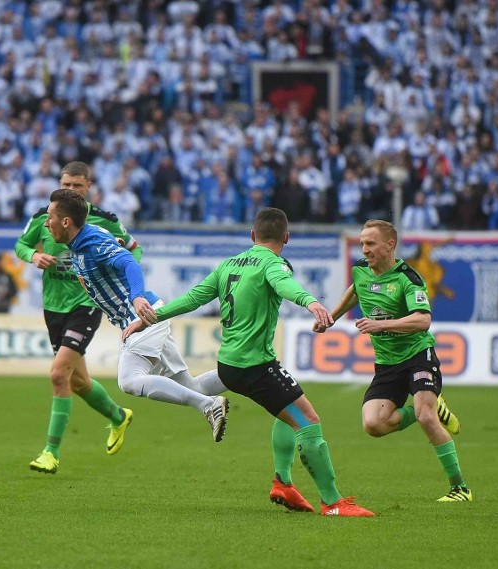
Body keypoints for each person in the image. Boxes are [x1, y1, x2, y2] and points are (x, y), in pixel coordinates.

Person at [123, 208, 374, 517]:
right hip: (255, 366)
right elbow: (285, 285)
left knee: (286, 412)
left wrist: (149, 320)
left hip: (230, 365)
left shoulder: (227, 265)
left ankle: (283, 483)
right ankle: (333, 503)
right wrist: (310, 302)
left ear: (253, 236)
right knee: (309, 422)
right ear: (286, 238)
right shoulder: (274, 263)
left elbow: (192, 298)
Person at [45, 190, 233, 453]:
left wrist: (135, 298)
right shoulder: (81, 243)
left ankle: (208, 405)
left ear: (66, 222)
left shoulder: (90, 242)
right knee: (191, 386)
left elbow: (129, 263)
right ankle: (243, 372)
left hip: (140, 317)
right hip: (144, 315)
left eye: (49, 216)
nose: (46, 223)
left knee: (130, 381)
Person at [315, 219, 472, 502]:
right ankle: (433, 406)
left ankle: (460, 488)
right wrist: (332, 317)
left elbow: (423, 320)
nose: (364, 249)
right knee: (373, 424)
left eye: (370, 243)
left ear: (390, 245)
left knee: (426, 417)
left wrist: (382, 326)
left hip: (417, 356)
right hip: (387, 363)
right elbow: (355, 291)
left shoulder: (408, 279)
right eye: (362, 243)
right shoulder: (362, 271)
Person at [15, 162, 141, 474]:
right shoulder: (46, 217)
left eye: (77, 186)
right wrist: (33, 255)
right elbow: (20, 244)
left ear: (88, 187)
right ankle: (117, 416)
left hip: (86, 304)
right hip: (53, 305)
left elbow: (134, 252)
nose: (71, 190)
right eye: (66, 185)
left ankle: (50, 452)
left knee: (59, 375)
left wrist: (117, 280)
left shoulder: (104, 221)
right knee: (78, 381)